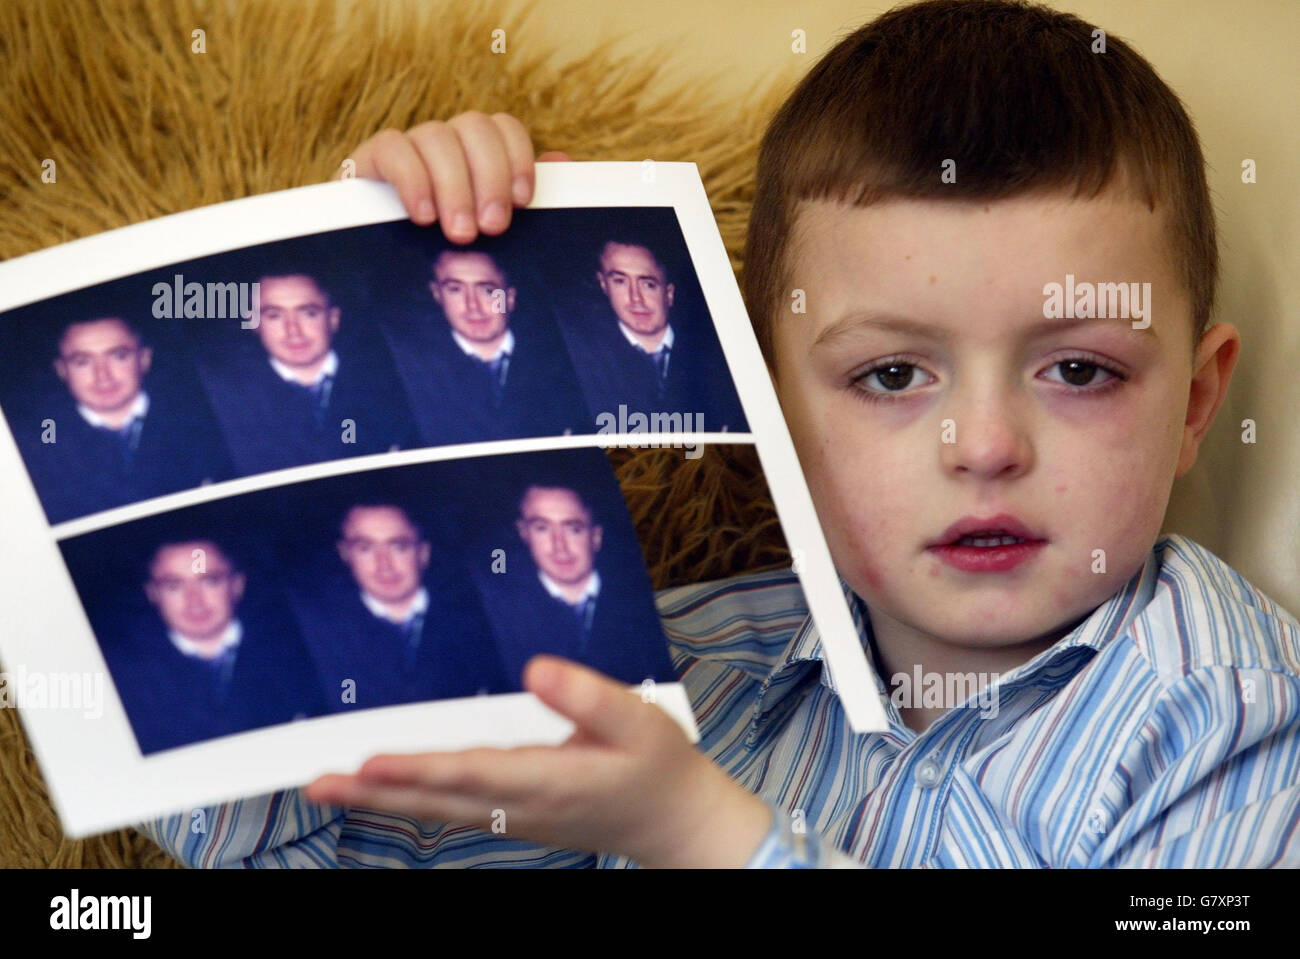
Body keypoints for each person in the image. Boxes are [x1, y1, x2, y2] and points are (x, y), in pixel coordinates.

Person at [140, 0, 1300, 868]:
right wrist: (374, 284)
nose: (984, 444)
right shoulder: (681, 674)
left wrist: (704, 832)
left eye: (1078, 368)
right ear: (768, 399)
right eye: (891, 371)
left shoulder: (1223, 706)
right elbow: (280, 844)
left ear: (1196, 400)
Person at [103, 538, 326, 755]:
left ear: (236, 585)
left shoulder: (303, 653)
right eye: (174, 585)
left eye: (209, 581)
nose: (195, 601)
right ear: (152, 593)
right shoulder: (121, 677)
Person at [289, 503, 509, 710]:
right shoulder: (314, 632)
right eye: (365, 548)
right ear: (345, 554)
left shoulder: (480, 616)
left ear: (423, 553)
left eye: (399, 547)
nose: (384, 565)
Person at [196, 270, 417, 476]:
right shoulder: (223, 398)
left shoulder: (392, 380)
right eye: (274, 315)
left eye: (308, 313)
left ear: (333, 319)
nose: (293, 331)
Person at [15, 316, 231, 523]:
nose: (102, 375)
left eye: (119, 356)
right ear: (62, 370)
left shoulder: (208, 422)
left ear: (144, 359)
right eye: (82, 361)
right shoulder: (36, 446)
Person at [472, 483, 677, 687]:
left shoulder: (638, 603)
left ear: (595, 536)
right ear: (523, 532)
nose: (559, 545)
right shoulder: (500, 611)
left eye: (573, 529)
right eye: (542, 528)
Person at [382, 244, 590, 446]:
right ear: (437, 294)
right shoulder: (409, 372)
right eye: (455, 290)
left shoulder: (565, 361)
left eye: (488, 291)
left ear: (509, 298)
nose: (473, 306)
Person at [558, 235, 747, 432]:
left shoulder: (720, 353)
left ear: (669, 293)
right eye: (620, 281)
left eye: (648, 284)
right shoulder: (580, 361)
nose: (636, 298)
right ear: (603, 284)